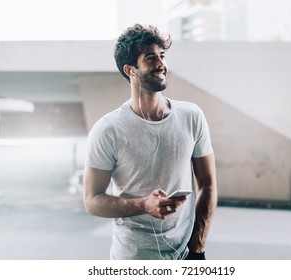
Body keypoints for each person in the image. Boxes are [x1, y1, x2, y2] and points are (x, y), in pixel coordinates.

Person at [83, 24, 217, 260]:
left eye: (162, 56)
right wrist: (143, 204)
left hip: (187, 254)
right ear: (130, 69)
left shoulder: (191, 116)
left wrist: (197, 247)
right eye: (150, 57)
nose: (160, 64)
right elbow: (93, 201)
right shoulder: (108, 130)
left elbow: (207, 183)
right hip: (132, 259)